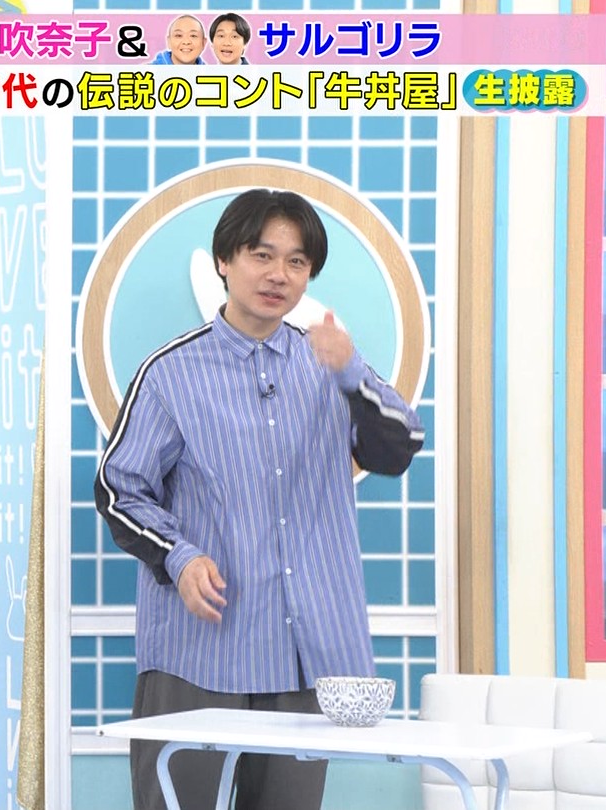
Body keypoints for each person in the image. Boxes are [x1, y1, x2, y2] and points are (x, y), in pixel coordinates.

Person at [93, 189, 425, 810]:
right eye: (261, 254)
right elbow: (119, 489)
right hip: (199, 648)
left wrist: (352, 372)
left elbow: (399, 449)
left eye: (297, 262)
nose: (279, 275)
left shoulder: (331, 364)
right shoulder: (169, 373)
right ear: (224, 260)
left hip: (307, 650)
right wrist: (180, 558)